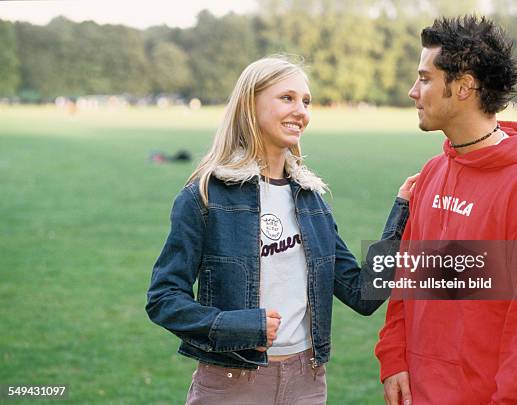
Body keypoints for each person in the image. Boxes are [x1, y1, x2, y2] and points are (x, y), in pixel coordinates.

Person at [145, 55, 418, 404]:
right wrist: (237, 327)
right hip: (232, 385)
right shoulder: (206, 195)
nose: (301, 110)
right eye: (286, 98)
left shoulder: (311, 199)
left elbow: (362, 293)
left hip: (307, 383)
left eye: (306, 101)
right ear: (250, 104)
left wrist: (401, 211)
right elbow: (164, 298)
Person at [375, 16, 517, 405]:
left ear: (464, 87)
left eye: (425, 78)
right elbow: (408, 277)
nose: (412, 91)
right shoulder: (433, 172)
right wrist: (394, 356)